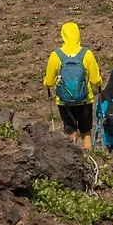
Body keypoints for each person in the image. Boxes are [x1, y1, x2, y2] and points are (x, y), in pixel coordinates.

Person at [43, 22, 103, 150]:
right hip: (85, 100)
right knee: (86, 132)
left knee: (70, 131)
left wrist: (46, 83)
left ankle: (73, 161)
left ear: (63, 35)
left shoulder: (56, 55)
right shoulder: (87, 54)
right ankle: (89, 158)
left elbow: (49, 81)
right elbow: (95, 80)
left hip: (64, 102)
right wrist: (99, 83)